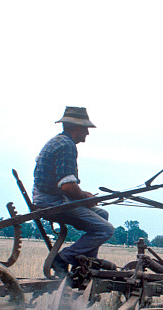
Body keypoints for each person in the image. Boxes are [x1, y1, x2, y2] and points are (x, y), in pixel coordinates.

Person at [32, 106, 114, 276]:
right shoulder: (67, 146)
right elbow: (67, 187)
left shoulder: (57, 141)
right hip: (53, 202)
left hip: (47, 198)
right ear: (77, 128)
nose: (88, 133)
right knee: (106, 230)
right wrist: (85, 197)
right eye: (86, 129)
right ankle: (63, 259)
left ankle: (84, 266)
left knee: (102, 215)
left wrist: (84, 196)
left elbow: (64, 183)